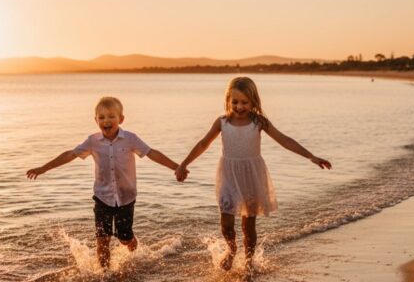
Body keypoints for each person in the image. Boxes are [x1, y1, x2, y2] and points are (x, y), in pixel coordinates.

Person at [175, 77, 331, 270]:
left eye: (244, 102)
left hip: (251, 176)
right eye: (235, 102)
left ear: (253, 102)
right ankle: (231, 250)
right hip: (228, 176)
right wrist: (184, 164)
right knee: (226, 222)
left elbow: (284, 140)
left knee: (248, 226)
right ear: (227, 101)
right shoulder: (222, 122)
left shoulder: (259, 122)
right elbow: (203, 143)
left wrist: (311, 156)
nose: (239, 107)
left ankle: (248, 262)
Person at [27, 96, 183, 268]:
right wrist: (44, 168)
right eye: (101, 117)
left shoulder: (130, 139)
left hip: (126, 197)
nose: (106, 121)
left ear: (121, 119)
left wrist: (176, 166)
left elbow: (151, 152)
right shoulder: (92, 141)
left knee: (125, 238)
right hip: (102, 197)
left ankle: (136, 254)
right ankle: (105, 274)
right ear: (96, 120)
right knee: (102, 239)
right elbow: (70, 154)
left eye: (111, 116)